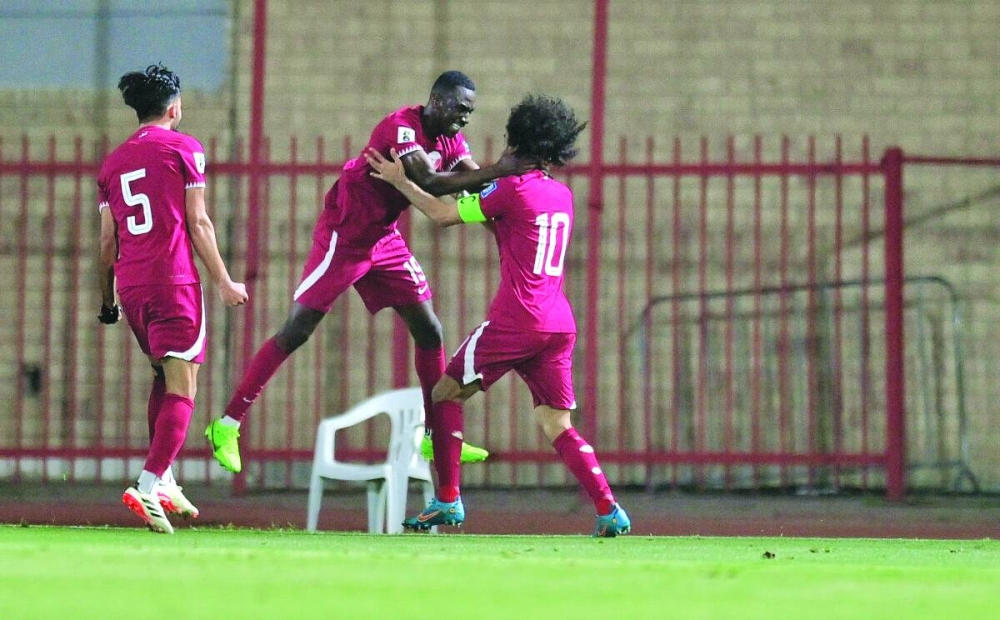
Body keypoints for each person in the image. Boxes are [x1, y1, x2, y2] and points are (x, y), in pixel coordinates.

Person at [205, 71, 535, 479]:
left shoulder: (450, 140)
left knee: (430, 330)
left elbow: (471, 185)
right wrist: (498, 169)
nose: (464, 118)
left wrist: (508, 219)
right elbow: (428, 181)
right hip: (345, 236)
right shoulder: (401, 127)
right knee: (297, 331)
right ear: (436, 100)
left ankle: (434, 434)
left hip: (384, 239)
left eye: (470, 112)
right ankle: (227, 424)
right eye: (459, 109)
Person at [364, 94, 631, 537]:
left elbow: (442, 215)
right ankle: (609, 509)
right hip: (558, 324)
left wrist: (400, 181)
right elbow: (503, 221)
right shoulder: (562, 195)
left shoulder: (512, 189)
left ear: (519, 140)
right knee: (557, 423)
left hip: (516, 321)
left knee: (445, 393)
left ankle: (448, 499)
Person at [97, 64, 249, 534]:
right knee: (184, 387)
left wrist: (107, 300)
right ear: (174, 108)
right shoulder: (185, 148)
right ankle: (146, 485)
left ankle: (162, 479)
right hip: (174, 281)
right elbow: (198, 222)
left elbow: (106, 242)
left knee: (163, 377)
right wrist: (224, 280)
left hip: (132, 286)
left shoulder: (112, 163)